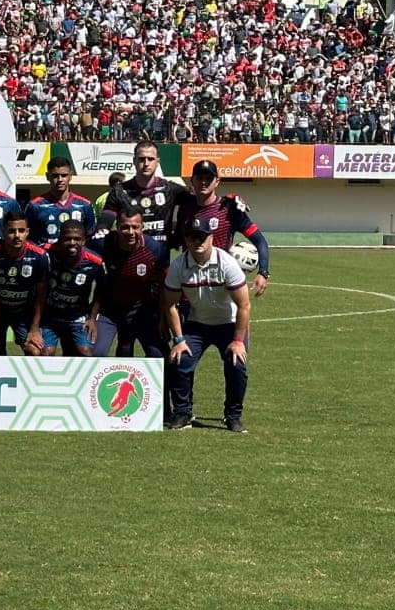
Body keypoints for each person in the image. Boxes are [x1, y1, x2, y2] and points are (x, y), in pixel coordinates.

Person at [162, 216, 252, 433]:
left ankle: (233, 416)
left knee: (236, 365)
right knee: (180, 359)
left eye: (203, 237)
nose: (198, 242)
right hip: (197, 324)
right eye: (193, 237)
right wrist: (179, 340)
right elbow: (170, 305)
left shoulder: (227, 264)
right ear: (186, 240)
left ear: (211, 237)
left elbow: (244, 305)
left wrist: (238, 341)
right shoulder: (178, 266)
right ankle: (183, 412)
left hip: (229, 325)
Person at [173, 159, 269, 297]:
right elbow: (178, 241)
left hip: (221, 284)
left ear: (217, 181)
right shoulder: (184, 208)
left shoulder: (229, 208)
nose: (204, 182)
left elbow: (260, 241)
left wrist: (263, 272)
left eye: (209, 178)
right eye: (200, 177)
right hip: (189, 283)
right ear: (192, 180)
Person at [91, 212, 168, 358]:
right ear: (117, 228)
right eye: (125, 227)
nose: (131, 232)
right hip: (109, 311)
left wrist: (163, 319)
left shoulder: (154, 249)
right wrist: (91, 316)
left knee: (159, 355)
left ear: (142, 227)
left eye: (135, 227)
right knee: (96, 353)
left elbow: (164, 285)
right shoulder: (103, 244)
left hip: (142, 310)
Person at [0, 210, 49, 355]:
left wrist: (34, 329)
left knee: (35, 350)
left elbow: (41, 295)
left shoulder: (39, 256)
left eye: (21, 231)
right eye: (11, 231)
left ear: (27, 232)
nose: (17, 236)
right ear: (3, 232)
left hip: (23, 312)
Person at [40, 221, 105, 357]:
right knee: (46, 352)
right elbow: (27, 249)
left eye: (77, 239)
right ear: (59, 239)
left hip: (77, 315)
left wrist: (92, 318)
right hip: (49, 315)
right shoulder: (46, 252)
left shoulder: (95, 261)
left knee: (85, 352)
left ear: (84, 240)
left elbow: (102, 289)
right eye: (67, 239)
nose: (72, 242)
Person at [101, 141, 178, 241]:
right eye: (141, 159)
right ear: (134, 160)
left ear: (157, 162)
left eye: (150, 159)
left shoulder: (170, 189)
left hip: (159, 255)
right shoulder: (119, 191)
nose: (146, 164)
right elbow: (106, 221)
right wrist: (102, 230)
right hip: (127, 255)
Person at [26, 156, 96, 247]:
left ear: (70, 176)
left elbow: (90, 236)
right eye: (55, 176)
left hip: (73, 259)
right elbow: (28, 238)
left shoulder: (85, 205)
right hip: (47, 258)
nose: (60, 180)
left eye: (64, 175)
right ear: (47, 176)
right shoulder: (35, 206)